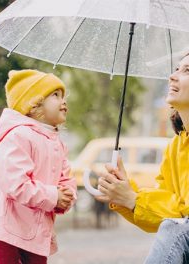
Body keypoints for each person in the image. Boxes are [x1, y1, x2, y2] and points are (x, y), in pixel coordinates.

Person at [0, 69, 77, 264]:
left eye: (63, 96)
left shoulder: (57, 143)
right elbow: (15, 184)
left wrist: (67, 194)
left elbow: (66, 177)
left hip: (36, 229)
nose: (63, 101)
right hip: (6, 227)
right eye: (55, 95)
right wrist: (54, 196)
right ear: (34, 104)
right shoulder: (17, 136)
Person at [96, 53, 189, 263]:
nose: (173, 76)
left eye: (187, 71)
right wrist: (125, 194)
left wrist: (133, 199)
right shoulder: (174, 148)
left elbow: (182, 216)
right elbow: (168, 212)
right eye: (176, 68)